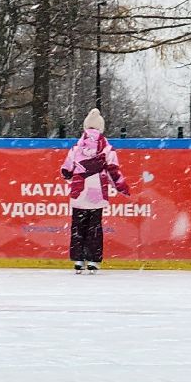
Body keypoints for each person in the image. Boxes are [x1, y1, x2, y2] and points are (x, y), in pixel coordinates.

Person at [58, 107, 128, 273]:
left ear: (85, 127)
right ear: (101, 128)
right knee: (94, 227)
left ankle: (78, 260)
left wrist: (72, 178)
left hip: (79, 192)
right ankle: (93, 261)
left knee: (78, 226)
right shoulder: (106, 148)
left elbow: (66, 170)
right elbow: (113, 170)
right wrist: (121, 186)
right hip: (96, 192)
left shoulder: (76, 148)